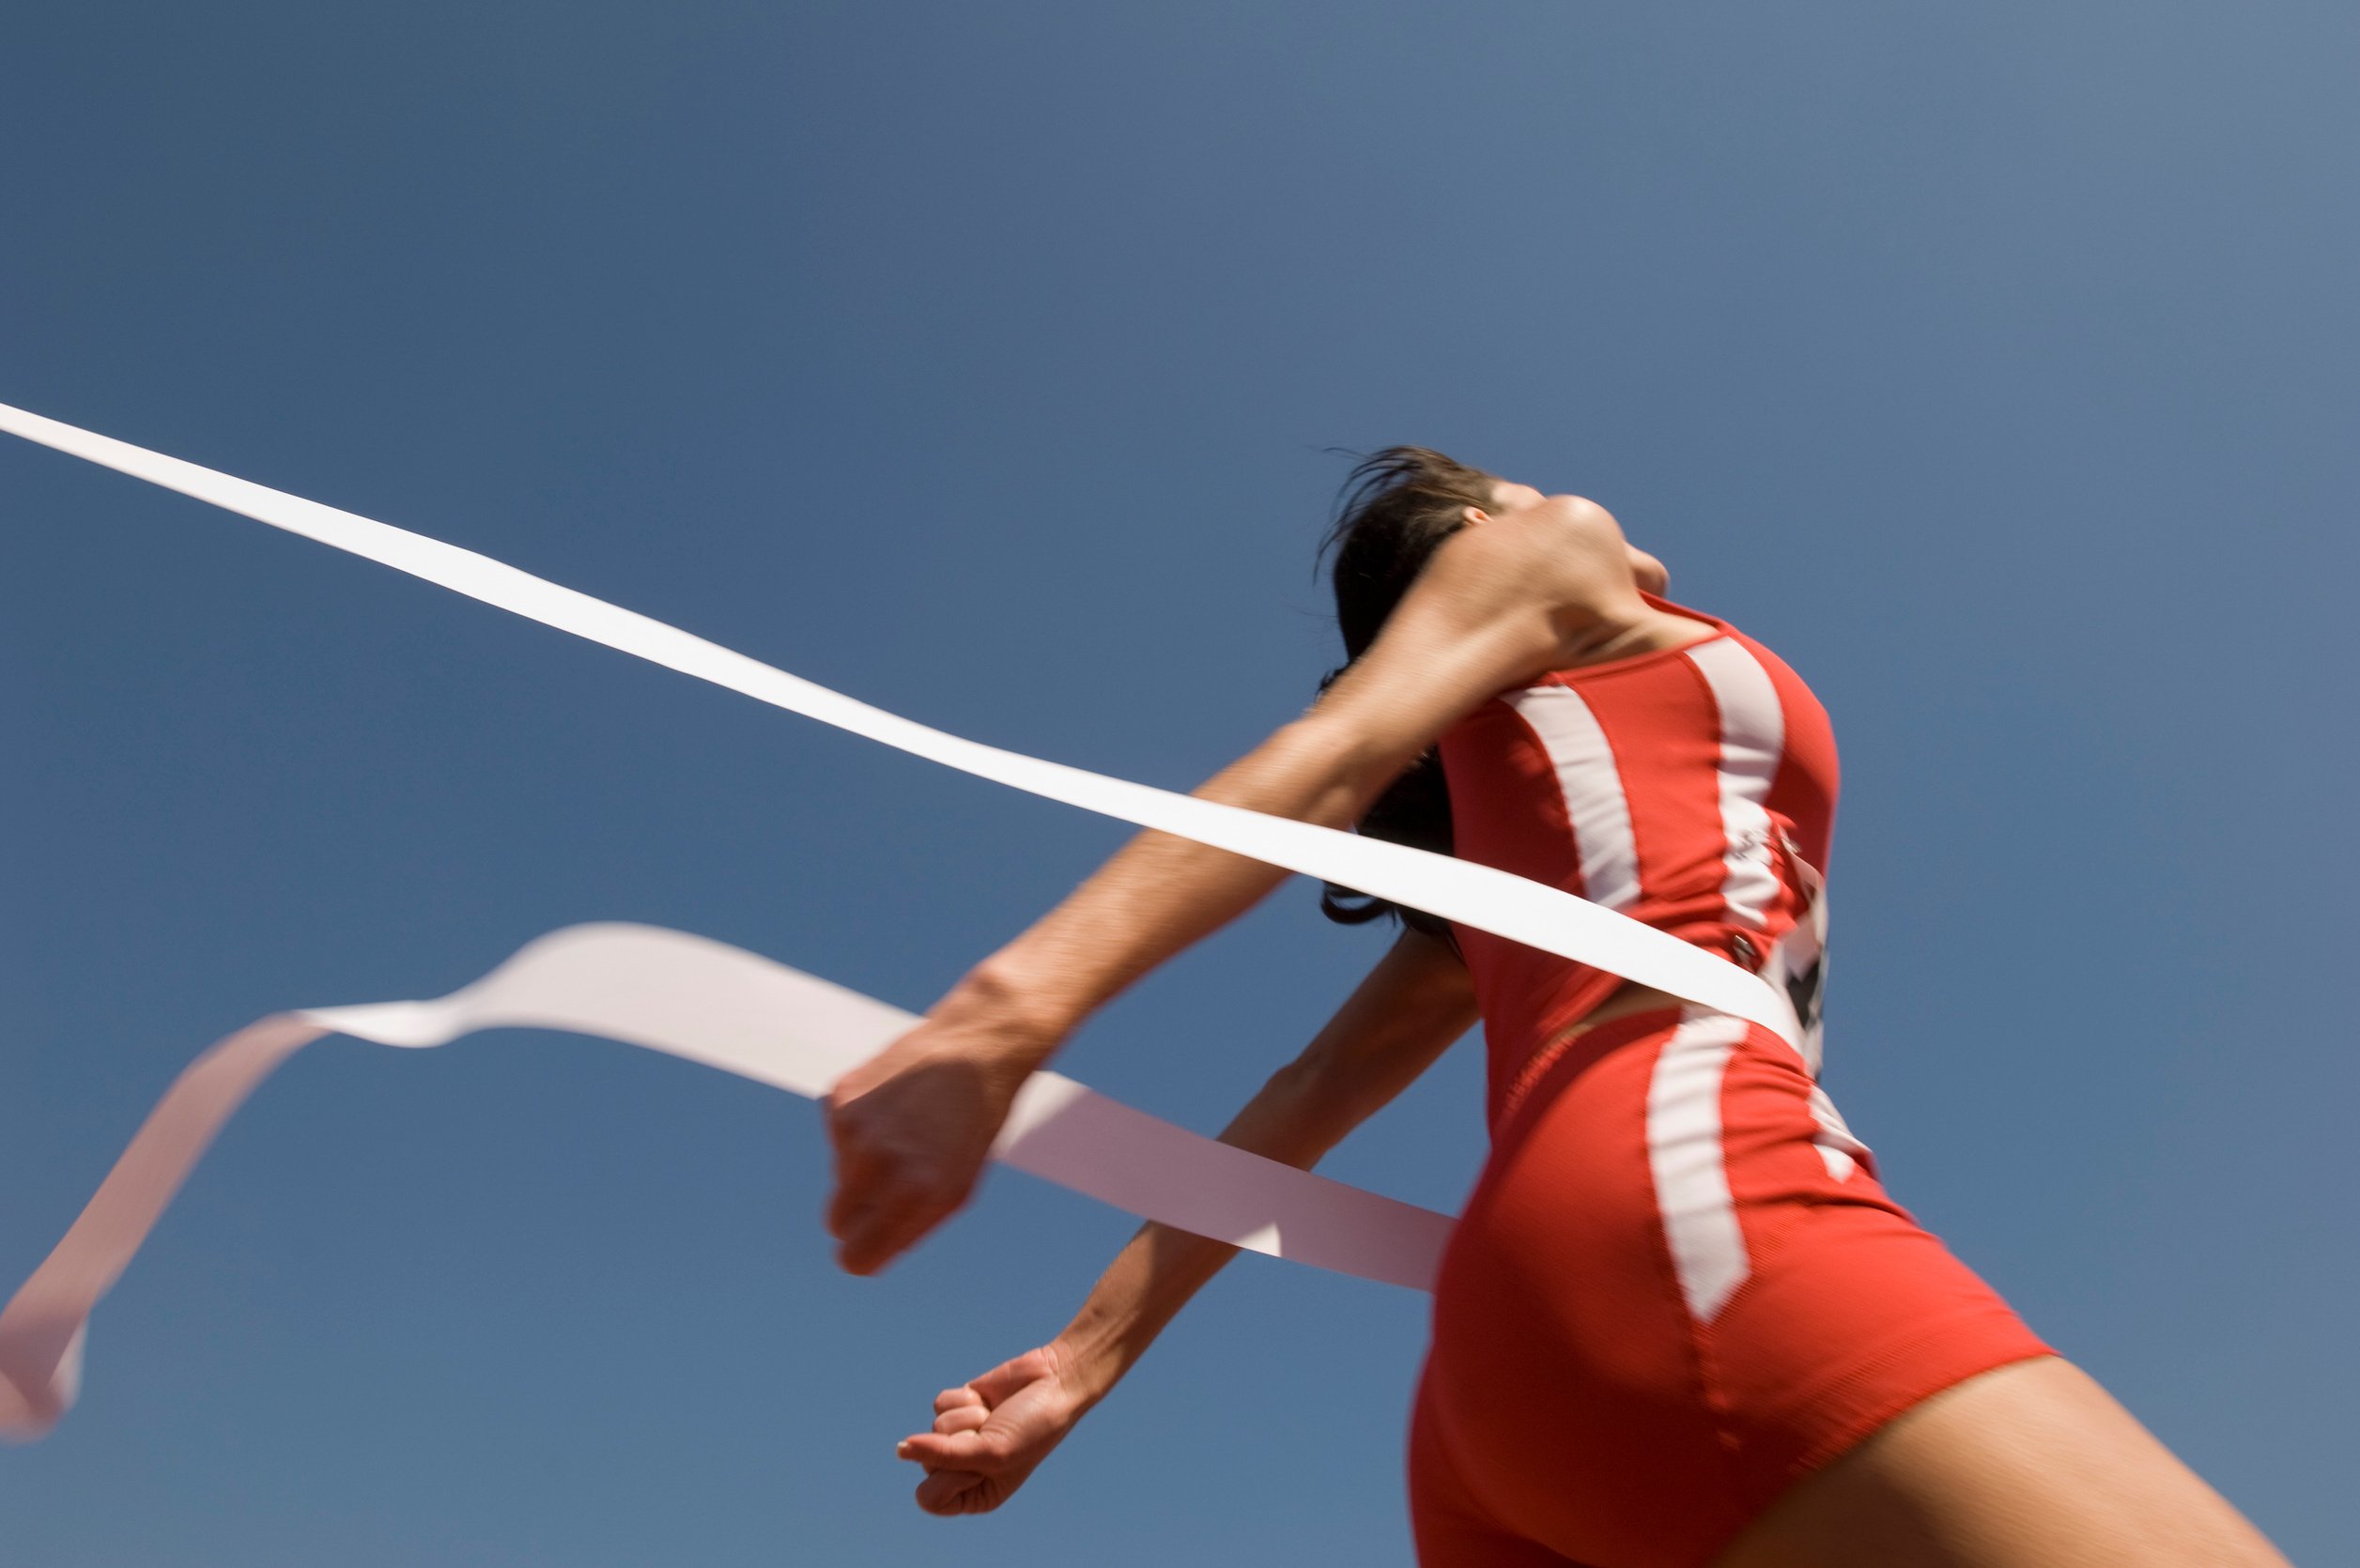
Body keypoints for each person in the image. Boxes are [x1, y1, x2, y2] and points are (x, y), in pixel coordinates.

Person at [824, 450, 2290, 1566]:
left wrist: (1078, 1363)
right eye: (1503, 488)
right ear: (1476, 535)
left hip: (1495, 1385)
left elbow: (1303, 1101)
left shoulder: (1517, 877)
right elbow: (1331, 755)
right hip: (1694, 1209)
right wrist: (1001, 1015)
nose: (1561, 496)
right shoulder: (1556, 549)